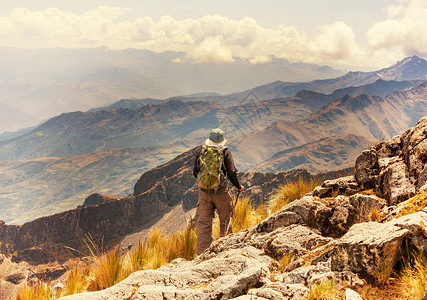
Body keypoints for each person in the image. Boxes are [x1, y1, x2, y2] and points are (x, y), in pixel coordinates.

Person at [193, 128, 244, 255]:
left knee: (204, 225)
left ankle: (202, 256)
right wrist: (238, 186)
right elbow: (232, 173)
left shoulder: (201, 152)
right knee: (225, 222)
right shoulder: (226, 153)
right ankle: (226, 252)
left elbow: (195, 172)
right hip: (221, 193)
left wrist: (207, 182)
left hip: (204, 194)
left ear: (209, 140)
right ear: (222, 141)